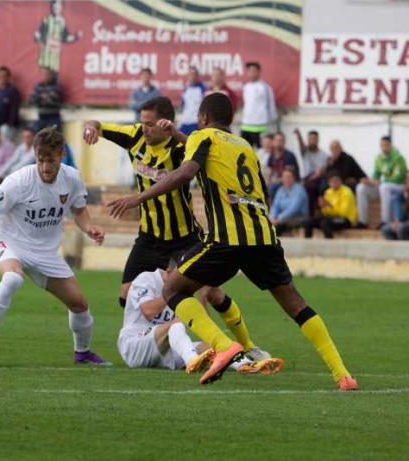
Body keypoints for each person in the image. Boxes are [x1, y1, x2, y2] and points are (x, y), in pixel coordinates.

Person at [107, 92, 357, 390]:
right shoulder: (244, 146)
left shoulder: (202, 136)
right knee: (296, 305)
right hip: (263, 237)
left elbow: (186, 171)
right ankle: (342, 374)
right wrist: (176, 133)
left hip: (226, 238)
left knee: (173, 288)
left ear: (202, 118)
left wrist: (139, 197)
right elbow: (261, 192)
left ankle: (224, 345)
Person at [82, 97, 271, 363]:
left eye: (150, 124)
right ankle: (157, 341)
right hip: (149, 237)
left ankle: (237, 348)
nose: (144, 128)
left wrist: (178, 134)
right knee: (126, 297)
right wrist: (90, 126)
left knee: (210, 292)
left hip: (184, 236)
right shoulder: (134, 136)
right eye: (143, 122)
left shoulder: (180, 149)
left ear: (165, 123)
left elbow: (199, 155)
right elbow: (98, 125)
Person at [0, 126, 110, 365]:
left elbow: (79, 211)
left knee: (79, 304)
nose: (45, 167)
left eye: (50, 161)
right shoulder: (18, 182)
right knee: (13, 278)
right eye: (40, 160)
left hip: (44, 252)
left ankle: (82, 354)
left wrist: (90, 227)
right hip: (8, 240)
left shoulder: (72, 178)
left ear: (61, 155)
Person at [119, 266, 284, 375]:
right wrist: (172, 293)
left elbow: (202, 326)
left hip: (166, 351)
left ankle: (245, 365)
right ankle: (191, 361)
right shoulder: (146, 278)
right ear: (170, 270)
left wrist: (202, 298)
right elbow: (148, 311)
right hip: (134, 346)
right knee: (175, 324)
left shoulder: (182, 288)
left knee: (212, 345)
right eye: (180, 275)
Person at [356, 136, 407, 228]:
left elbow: (398, 177)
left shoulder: (398, 158)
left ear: (391, 145)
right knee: (361, 188)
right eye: (382, 145)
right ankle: (363, 221)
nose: (384, 147)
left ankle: (385, 221)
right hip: (384, 185)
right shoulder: (379, 158)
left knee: (384, 187)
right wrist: (370, 182)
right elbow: (376, 175)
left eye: (386, 145)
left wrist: (379, 182)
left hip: (399, 186)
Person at [305, 171, 357, 239]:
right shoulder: (328, 192)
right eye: (332, 181)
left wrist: (330, 206)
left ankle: (330, 246)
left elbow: (343, 213)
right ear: (329, 183)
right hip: (332, 218)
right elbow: (326, 213)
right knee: (309, 222)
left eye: (336, 181)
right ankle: (308, 245)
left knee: (325, 223)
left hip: (346, 220)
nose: (334, 183)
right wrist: (323, 207)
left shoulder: (347, 192)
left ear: (341, 181)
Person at [34, 0, 82, 74]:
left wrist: (76, 36)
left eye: (59, 6)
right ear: (52, 7)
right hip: (45, 57)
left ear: (62, 7)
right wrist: (41, 37)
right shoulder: (47, 20)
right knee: (44, 75)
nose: (56, 7)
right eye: (55, 5)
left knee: (54, 77)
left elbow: (66, 38)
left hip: (55, 59)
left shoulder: (62, 21)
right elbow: (38, 35)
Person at [240, 62, 277, 149]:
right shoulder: (246, 87)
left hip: (261, 126)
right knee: (244, 152)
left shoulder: (265, 87)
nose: (251, 73)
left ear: (259, 72)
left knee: (262, 152)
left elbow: (271, 106)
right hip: (246, 125)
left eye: (254, 70)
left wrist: (270, 124)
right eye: (249, 70)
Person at [295, 129, 329, 215]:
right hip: (306, 178)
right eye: (309, 139)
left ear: (318, 140)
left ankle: (310, 215)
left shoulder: (324, 155)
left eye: (313, 139)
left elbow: (318, 173)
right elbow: (301, 146)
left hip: (317, 179)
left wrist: (306, 181)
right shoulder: (306, 152)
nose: (311, 141)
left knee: (309, 187)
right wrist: (299, 136)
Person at [270, 168, 309, 236]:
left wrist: (279, 218)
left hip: (298, 217)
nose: (286, 179)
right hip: (282, 218)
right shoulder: (281, 190)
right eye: (284, 177)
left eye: (289, 177)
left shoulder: (299, 190)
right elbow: (275, 206)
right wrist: (272, 217)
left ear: (294, 178)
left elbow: (293, 209)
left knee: (276, 228)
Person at [0, 66, 21, 143]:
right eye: (0, 76)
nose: (2, 78)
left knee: (5, 146)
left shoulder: (13, 91)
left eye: (4, 76)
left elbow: (14, 110)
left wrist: (9, 125)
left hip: (8, 127)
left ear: (8, 77)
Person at [266, 132, 300, 200]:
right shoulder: (271, 156)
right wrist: (266, 184)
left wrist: (273, 182)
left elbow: (288, 177)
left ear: (284, 142)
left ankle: (271, 208)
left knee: (272, 188)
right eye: (276, 140)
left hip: (290, 182)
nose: (278, 142)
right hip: (277, 182)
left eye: (280, 140)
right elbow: (269, 174)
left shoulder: (289, 156)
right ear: (273, 142)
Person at [29, 67, 63, 133]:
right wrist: (43, 97)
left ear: (51, 75)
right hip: (41, 117)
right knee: (36, 134)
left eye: (47, 74)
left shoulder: (56, 86)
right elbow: (32, 100)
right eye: (44, 74)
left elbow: (52, 100)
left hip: (54, 117)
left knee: (53, 138)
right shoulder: (38, 86)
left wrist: (40, 98)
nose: (46, 76)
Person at [382, 173, 409, 240]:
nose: (407, 181)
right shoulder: (406, 195)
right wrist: (398, 221)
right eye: (407, 179)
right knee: (386, 229)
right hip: (406, 222)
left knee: (401, 230)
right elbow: (406, 212)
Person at [179, 67, 206, 135]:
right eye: (190, 74)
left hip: (196, 123)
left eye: (194, 74)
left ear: (197, 76)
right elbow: (183, 105)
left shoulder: (202, 89)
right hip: (185, 122)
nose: (192, 77)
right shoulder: (185, 89)